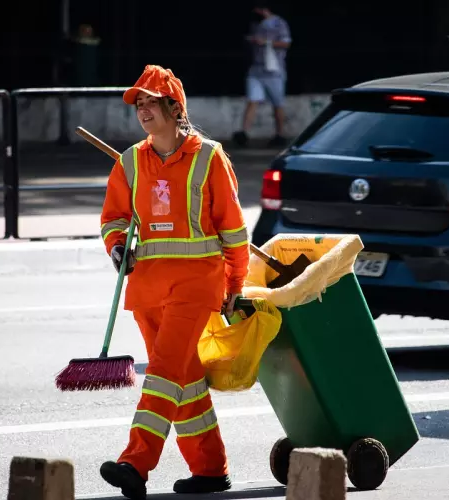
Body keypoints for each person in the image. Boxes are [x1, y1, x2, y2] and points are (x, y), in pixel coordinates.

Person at [98, 64, 250, 500]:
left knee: (163, 374)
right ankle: (209, 469)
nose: (142, 110)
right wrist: (116, 248)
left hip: (195, 286)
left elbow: (234, 231)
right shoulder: (130, 161)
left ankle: (135, 463)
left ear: (173, 107)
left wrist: (233, 285)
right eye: (138, 104)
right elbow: (114, 218)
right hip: (145, 288)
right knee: (183, 379)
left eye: (150, 102)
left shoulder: (209, 157)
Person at [233, 1, 292, 149]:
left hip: (274, 70)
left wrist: (266, 42)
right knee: (252, 100)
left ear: (263, 9)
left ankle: (280, 134)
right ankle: (244, 133)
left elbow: (286, 43)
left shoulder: (278, 23)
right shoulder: (256, 25)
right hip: (257, 69)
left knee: (277, 103)